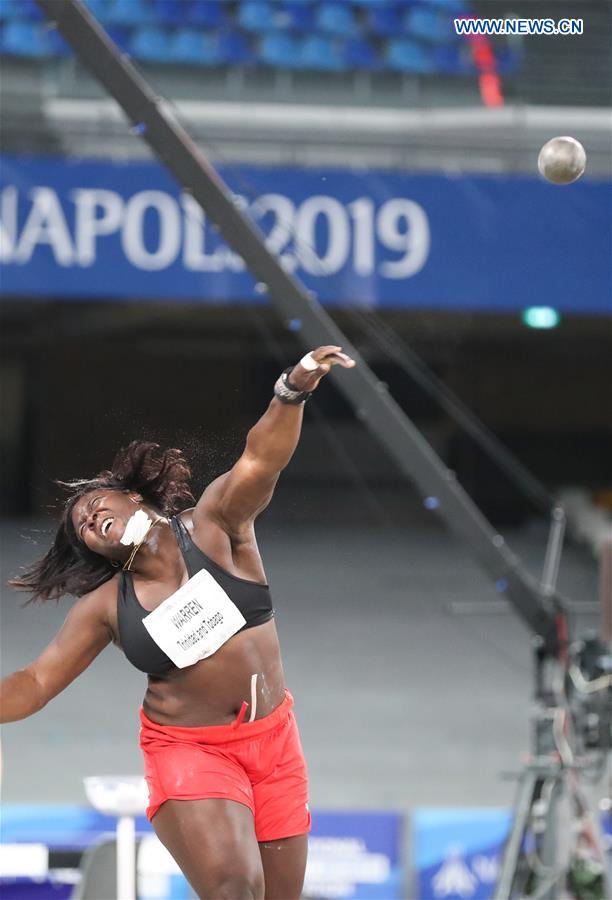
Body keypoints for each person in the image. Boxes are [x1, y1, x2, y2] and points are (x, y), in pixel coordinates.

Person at [0, 345, 356, 900]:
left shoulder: (215, 526)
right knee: (237, 888)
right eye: (85, 529)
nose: (91, 518)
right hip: (192, 751)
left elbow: (262, 460)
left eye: (95, 504)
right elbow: (38, 682)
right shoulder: (104, 606)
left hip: (276, 740)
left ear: (133, 495)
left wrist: (292, 389)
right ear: (97, 553)